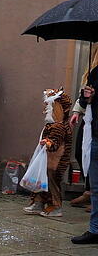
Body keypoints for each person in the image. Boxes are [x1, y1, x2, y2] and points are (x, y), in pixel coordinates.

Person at [24, 89, 72, 217]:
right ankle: (39, 202)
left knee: (52, 183)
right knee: (41, 181)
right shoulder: (51, 125)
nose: (46, 109)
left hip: (54, 162)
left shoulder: (59, 126)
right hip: (46, 159)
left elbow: (56, 142)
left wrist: (49, 143)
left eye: (49, 106)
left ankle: (55, 206)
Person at [71, 76, 98, 243]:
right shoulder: (96, 71)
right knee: (95, 186)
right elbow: (85, 97)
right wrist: (87, 97)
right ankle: (95, 229)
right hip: (95, 134)